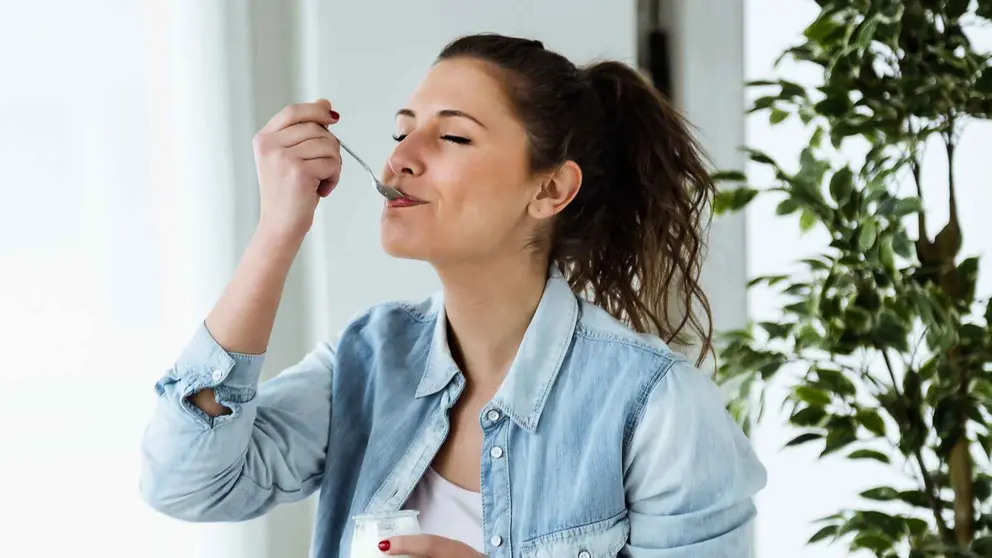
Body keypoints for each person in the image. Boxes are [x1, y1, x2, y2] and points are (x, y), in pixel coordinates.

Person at [140, 33, 766, 558]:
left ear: (549, 190)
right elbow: (187, 483)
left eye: (454, 137)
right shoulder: (366, 361)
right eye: (401, 132)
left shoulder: (657, 407)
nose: (400, 160)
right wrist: (278, 230)